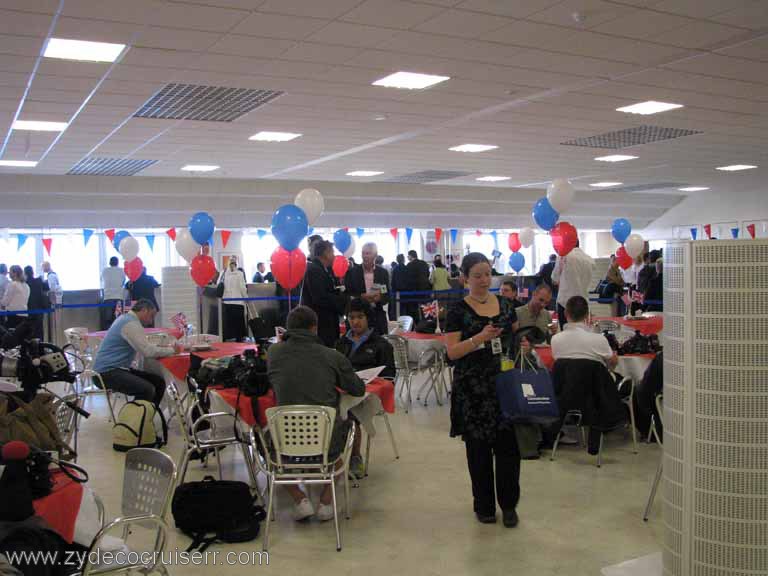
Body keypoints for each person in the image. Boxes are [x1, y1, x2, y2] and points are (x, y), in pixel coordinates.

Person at [445, 253, 522, 528]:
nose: (483, 280)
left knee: (508, 450)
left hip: (502, 385)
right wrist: (478, 339)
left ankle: (510, 505)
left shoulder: (505, 304)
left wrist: (519, 347)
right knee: (478, 451)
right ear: (465, 278)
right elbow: (452, 352)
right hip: (472, 388)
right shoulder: (456, 310)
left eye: (487, 274)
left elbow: (514, 335)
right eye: (477, 275)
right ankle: (484, 506)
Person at [267, 306, 365, 521]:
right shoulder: (332, 356)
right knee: (348, 428)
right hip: (326, 438)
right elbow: (358, 389)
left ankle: (299, 499)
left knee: (264, 441)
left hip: (284, 438)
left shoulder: (273, 354)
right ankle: (326, 501)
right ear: (314, 328)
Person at [334, 298, 395, 477]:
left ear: (368, 318)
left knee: (349, 414)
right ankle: (330, 456)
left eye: (360, 317)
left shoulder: (381, 345)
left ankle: (355, 457)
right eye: (351, 317)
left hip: (369, 396)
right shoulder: (341, 343)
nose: (355, 321)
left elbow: (390, 377)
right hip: (343, 391)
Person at [93, 299, 180, 407]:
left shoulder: (125, 318)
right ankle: (135, 420)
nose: (150, 321)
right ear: (144, 310)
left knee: (158, 383)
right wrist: (172, 350)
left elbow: (144, 346)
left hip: (114, 369)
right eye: (151, 316)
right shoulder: (130, 323)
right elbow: (147, 351)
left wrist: (159, 348)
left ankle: (148, 416)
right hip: (106, 373)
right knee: (147, 389)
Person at [301, 240, 348, 347]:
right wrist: (343, 300)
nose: (334, 256)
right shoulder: (314, 270)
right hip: (322, 322)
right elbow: (320, 297)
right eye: (332, 252)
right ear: (326, 253)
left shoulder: (323, 269)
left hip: (327, 320)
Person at [551, 296, 617, 370]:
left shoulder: (555, 340)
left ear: (565, 313)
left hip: (565, 381)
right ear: (586, 315)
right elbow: (612, 363)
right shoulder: (600, 340)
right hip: (594, 380)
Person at [344, 242, 390, 336]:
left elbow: (386, 294)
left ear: (375, 255)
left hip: (377, 316)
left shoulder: (383, 273)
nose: (365, 256)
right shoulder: (352, 273)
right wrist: (361, 297)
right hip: (358, 316)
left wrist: (380, 297)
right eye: (363, 253)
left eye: (368, 253)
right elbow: (347, 294)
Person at [552, 241, 594, 330]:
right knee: (583, 333)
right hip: (583, 302)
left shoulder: (563, 256)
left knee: (566, 335)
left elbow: (555, 279)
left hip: (565, 303)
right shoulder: (589, 259)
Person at [221, 256, 248, 341]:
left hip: (227, 303)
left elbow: (219, 284)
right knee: (238, 325)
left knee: (229, 324)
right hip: (238, 303)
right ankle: (239, 341)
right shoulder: (239, 273)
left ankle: (228, 341)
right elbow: (242, 288)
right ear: (236, 264)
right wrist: (246, 298)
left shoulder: (224, 273)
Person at [404, 250, 430, 319]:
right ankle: (426, 323)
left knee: (414, 308)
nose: (407, 257)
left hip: (414, 290)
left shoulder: (409, 265)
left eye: (408, 256)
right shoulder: (424, 263)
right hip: (425, 288)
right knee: (425, 308)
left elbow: (407, 277)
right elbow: (428, 274)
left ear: (410, 256)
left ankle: (416, 324)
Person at [100, 256, 125, 330]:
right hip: (119, 298)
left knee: (107, 320)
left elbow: (101, 280)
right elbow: (123, 282)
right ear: (117, 263)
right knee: (118, 320)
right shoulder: (121, 271)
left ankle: (107, 336)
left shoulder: (105, 270)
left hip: (108, 298)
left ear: (109, 262)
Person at [23, 266, 45, 339]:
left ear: (25, 273)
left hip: (29, 309)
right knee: (39, 329)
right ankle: (41, 347)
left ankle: (31, 348)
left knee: (30, 330)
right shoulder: (39, 281)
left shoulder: (25, 283)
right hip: (39, 308)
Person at [389, 254, 407, 321]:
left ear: (397, 260)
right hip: (406, 292)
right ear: (403, 260)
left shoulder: (395, 269)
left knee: (396, 309)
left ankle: (397, 322)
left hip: (396, 292)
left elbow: (393, 281)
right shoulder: (406, 268)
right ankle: (405, 321)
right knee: (404, 308)